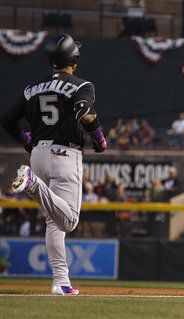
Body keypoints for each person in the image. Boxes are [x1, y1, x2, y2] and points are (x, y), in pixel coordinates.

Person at [0, 33, 107, 296]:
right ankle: (32, 183)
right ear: (74, 59)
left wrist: (25, 139)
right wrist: (98, 137)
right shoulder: (83, 85)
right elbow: (84, 112)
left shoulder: (31, 88)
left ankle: (60, 282)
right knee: (69, 221)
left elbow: (6, 119)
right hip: (64, 156)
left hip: (38, 155)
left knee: (54, 223)